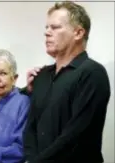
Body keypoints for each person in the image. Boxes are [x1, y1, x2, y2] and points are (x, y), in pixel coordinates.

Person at [23, 2, 111, 163]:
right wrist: (30, 159)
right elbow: (30, 128)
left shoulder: (92, 73)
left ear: (78, 33)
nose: (47, 33)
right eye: (47, 27)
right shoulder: (41, 75)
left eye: (55, 27)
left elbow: (76, 136)